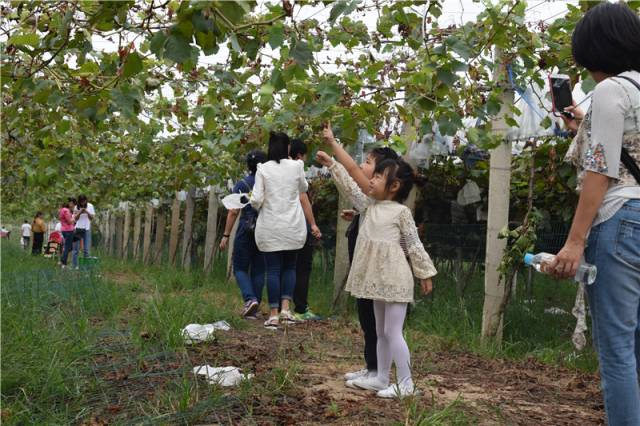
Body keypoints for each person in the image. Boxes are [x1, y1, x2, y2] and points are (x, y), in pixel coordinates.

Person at [551, 3, 640, 425]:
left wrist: (575, 240)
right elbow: (626, 148)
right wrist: (585, 124)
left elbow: (601, 168)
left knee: (617, 350)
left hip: (619, 219)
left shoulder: (610, 90)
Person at [316, 148, 436, 398]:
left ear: (394, 186)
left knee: (393, 332)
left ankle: (406, 383)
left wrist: (424, 273)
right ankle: (381, 377)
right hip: (377, 281)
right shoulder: (369, 206)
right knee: (381, 332)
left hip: (394, 280)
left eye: (378, 176)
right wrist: (332, 165)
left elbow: (413, 244)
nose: (371, 179)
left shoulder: (401, 213)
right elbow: (349, 187)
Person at [321, 123, 400, 385]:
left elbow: (351, 177)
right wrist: (356, 215)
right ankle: (372, 369)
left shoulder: (375, 195)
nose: (363, 166)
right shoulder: (375, 200)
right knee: (369, 321)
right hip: (369, 269)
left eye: (368, 162)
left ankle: (380, 372)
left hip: (377, 272)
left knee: (377, 324)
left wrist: (332, 150)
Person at [250, 131, 314, 328]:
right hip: (293, 226)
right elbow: (303, 187)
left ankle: (274, 314)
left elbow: (257, 200)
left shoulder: (263, 169)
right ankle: (287, 310)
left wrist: (252, 201)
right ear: (288, 148)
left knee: (274, 270)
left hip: (270, 227)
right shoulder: (297, 166)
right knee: (290, 267)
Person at [220, 150, 268, 319]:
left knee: (239, 267)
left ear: (248, 165)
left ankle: (250, 300)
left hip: (246, 229)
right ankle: (255, 305)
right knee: (259, 269)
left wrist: (226, 235)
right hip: (266, 229)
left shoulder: (242, 184)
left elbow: (233, 212)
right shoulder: (269, 183)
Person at [289, 138, 323, 321]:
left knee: (285, 266)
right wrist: (313, 224)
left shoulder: (274, 170)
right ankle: (301, 309)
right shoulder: (296, 170)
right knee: (302, 267)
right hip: (299, 226)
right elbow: (303, 199)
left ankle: (280, 308)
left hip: (281, 226)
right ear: (300, 156)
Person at [72, 195, 95, 269]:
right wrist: (80, 212)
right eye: (81, 201)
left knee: (86, 250)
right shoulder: (76, 207)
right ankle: (75, 266)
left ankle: (86, 267)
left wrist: (86, 212)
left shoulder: (90, 206)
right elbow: (75, 219)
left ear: (86, 200)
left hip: (86, 229)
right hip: (78, 229)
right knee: (75, 250)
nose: (82, 203)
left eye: (84, 201)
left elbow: (91, 218)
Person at [59, 198, 76, 268]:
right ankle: (63, 263)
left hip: (65, 230)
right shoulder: (66, 210)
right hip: (68, 230)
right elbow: (69, 221)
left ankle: (62, 260)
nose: (73, 205)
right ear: (69, 204)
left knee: (69, 247)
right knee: (68, 247)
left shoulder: (62, 210)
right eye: (72, 203)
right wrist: (74, 217)